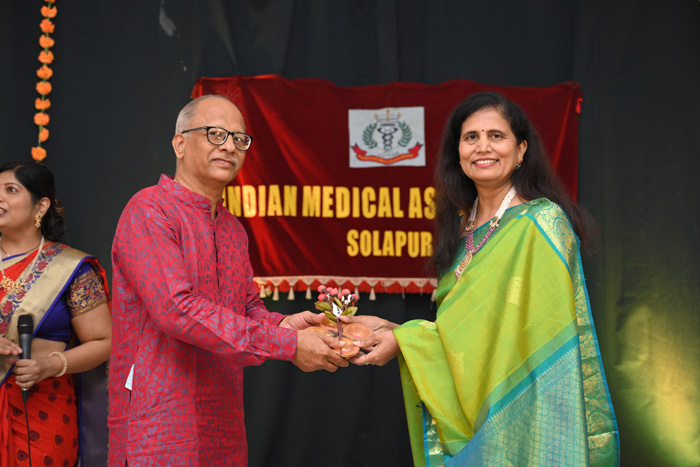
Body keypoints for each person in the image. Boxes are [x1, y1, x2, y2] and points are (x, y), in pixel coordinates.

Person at [343, 92, 620, 466]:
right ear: (458, 152)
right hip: (473, 415)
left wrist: (404, 341)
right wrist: (395, 332)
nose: (482, 147)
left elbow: (541, 335)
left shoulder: (542, 223)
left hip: (528, 408)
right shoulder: (461, 228)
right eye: (471, 137)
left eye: (496, 136)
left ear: (521, 150)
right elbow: (463, 330)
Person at [108, 94, 348, 467]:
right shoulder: (150, 210)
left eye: (239, 139)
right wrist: (286, 344)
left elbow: (246, 307)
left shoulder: (232, 229)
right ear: (180, 144)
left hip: (223, 421)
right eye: (215, 134)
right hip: (159, 420)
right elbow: (176, 310)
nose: (229, 147)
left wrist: (284, 325)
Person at [0, 160, 112, 467]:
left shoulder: (70, 269)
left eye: (11, 190)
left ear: (41, 206)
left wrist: (50, 365)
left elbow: (104, 342)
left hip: (43, 410)